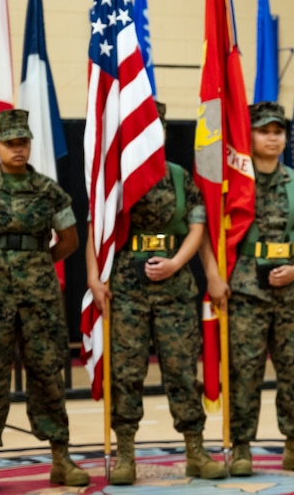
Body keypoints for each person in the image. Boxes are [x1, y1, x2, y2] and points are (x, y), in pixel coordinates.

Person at [85, 102, 225, 484]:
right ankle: (125, 454)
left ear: (162, 132)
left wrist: (177, 263)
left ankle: (195, 451)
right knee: (127, 373)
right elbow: (96, 232)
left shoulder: (180, 178)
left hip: (175, 290)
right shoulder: (116, 180)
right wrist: (95, 280)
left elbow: (198, 227)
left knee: (181, 372)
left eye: (156, 128)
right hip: (126, 292)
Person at [0, 109, 88, 492]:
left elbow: (69, 240)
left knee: (48, 372)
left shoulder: (49, 190)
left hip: (39, 293)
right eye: (10, 143)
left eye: (23, 142)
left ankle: (61, 458)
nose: (18, 149)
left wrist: (37, 263)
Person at [202, 101, 294, 476]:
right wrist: (213, 277)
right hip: (245, 291)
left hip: (291, 291)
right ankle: (241, 448)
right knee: (244, 370)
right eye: (264, 131)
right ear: (249, 135)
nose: (272, 138)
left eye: (278, 132)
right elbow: (209, 232)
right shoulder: (233, 183)